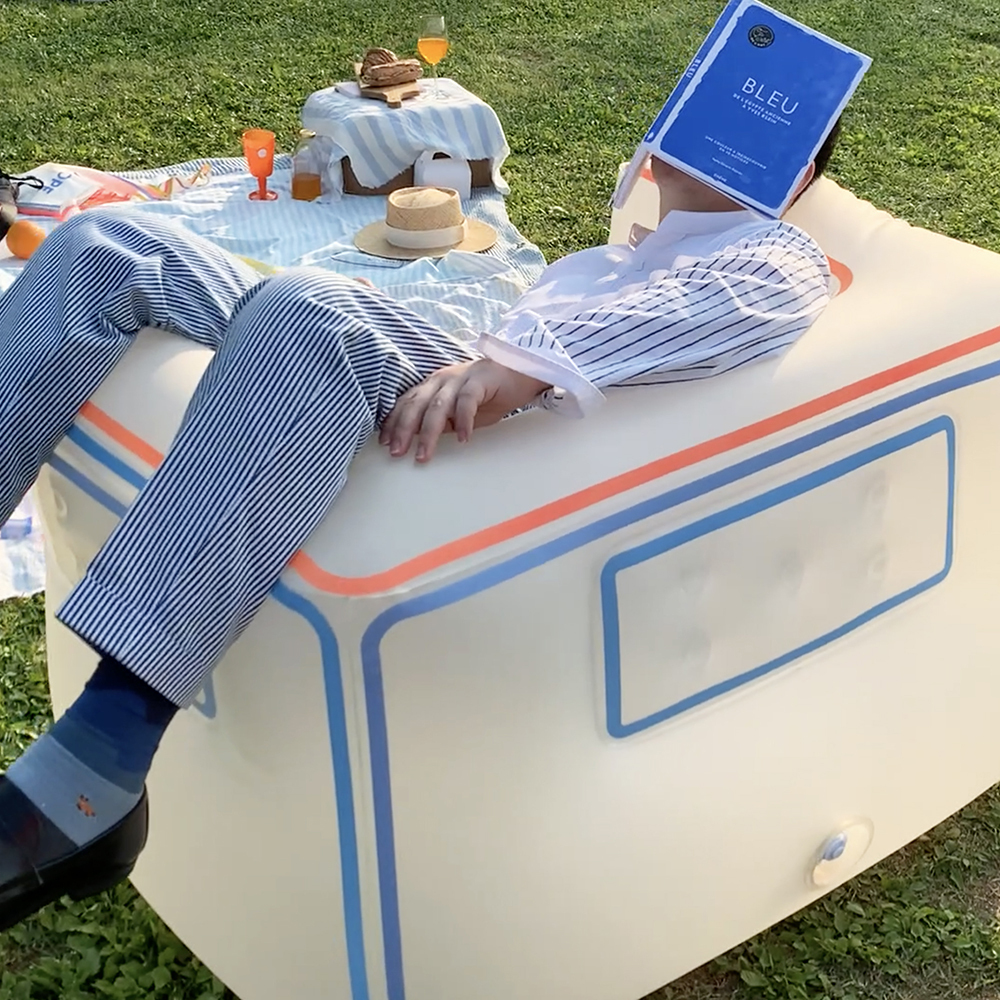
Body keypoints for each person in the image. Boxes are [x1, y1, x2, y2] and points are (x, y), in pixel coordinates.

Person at [0, 123, 838, 929]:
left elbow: (751, 296)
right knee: (103, 244)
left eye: (751, 131)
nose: (702, 137)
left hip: (493, 437)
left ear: (795, 175)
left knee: (311, 308)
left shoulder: (776, 253)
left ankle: (96, 769)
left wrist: (519, 363)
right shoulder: (631, 255)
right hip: (459, 365)